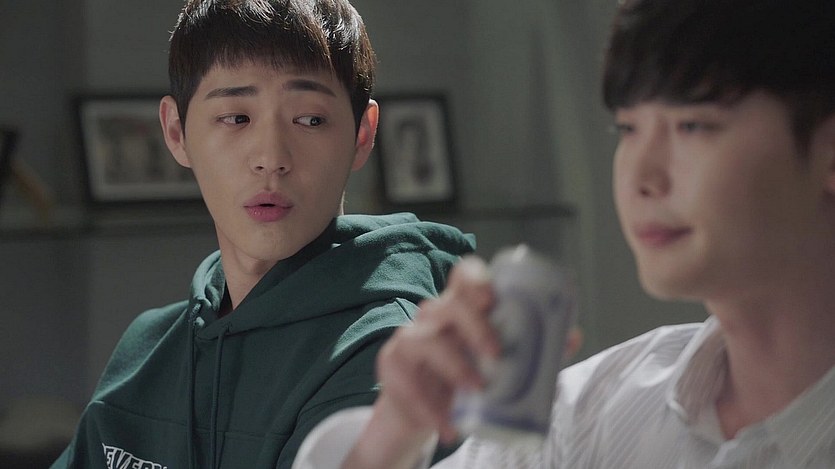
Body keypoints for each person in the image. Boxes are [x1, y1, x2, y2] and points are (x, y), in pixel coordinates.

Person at [292, 0, 835, 467]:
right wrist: (394, 432)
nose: (641, 176)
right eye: (628, 128)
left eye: (692, 126)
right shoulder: (593, 414)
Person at [51, 1, 474, 468]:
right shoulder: (146, 350)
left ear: (361, 134)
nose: (271, 158)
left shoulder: (388, 359)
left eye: (310, 120)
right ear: (176, 131)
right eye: (236, 118)